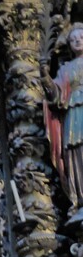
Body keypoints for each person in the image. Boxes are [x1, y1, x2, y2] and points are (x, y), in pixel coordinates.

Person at [41, 22, 83, 221]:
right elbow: (57, 94)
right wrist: (46, 79)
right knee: (74, 154)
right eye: (74, 39)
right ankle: (79, 198)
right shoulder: (66, 69)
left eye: (81, 38)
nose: (78, 42)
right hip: (73, 115)